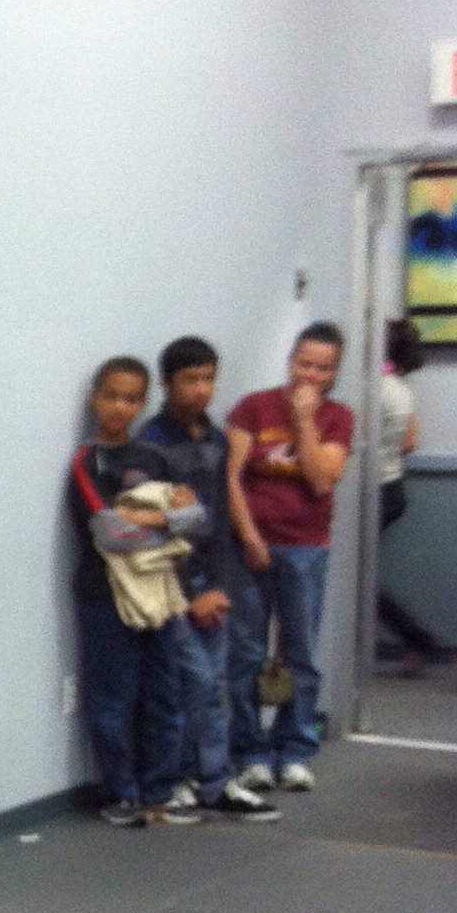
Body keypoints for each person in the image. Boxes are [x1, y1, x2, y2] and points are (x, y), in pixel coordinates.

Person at [139, 339, 280, 821]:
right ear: (167, 383)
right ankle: (175, 779)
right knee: (185, 683)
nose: (201, 389)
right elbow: (158, 528)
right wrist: (193, 593)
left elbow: (218, 523)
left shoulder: (216, 440)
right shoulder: (151, 443)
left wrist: (218, 585)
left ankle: (216, 781)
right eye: (190, 379)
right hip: (169, 584)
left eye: (208, 378)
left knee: (215, 681)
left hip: (213, 581)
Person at [67, 356, 208, 827]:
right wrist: (167, 524)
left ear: (143, 402)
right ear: (95, 398)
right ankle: (120, 794)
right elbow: (109, 533)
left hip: (159, 593)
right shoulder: (88, 461)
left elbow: (196, 519)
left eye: (130, 399)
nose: (119, 407)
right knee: (113, 697)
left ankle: (158, 794)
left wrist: (151, 517)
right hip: (106, 594)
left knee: (165, 694)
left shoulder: (155, 458)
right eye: (111, 396)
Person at [225, 322, 354, 793]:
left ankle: (294, 749)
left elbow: (321, 480)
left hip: (305, 547)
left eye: (323, 368)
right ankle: (249, 752)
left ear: (334, 373)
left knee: (299, 651)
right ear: (290, 362)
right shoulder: (253, 407)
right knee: (245, 651)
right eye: (304, 364)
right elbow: (232, 477)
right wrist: (249, 536)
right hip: (250, 544)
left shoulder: (337, 417)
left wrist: (302, 421)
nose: (311, 375)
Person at [370, 319, 454, 678]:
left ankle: (417, 638)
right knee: (358, 578)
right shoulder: (401, 389)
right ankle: (416, 639)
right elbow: (409, 442)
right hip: (392, 488)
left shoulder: (373, 389)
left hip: (373, 493)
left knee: (354, 578)